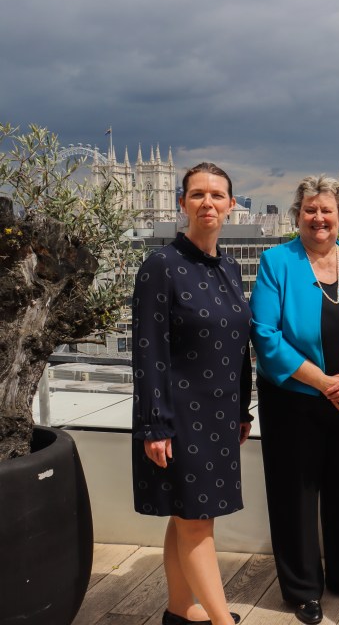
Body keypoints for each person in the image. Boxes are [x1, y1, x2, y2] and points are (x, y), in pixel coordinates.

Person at [250, 174, 339, 625]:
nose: (319, 218)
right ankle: (302, 588)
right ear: (297, 215)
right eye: (310, 210)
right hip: (294, 401)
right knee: (296, 496)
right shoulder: (276, 262)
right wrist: (326, 383)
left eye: (327, 210)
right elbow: (266, 338)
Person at [132, 162, 250, 625]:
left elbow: (239, 347)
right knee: (196, 522)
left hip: (220, 414)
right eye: (197, 194)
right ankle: (221, 622)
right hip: (178, 416)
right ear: (182, 204)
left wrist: (243, 409)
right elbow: (147, 352)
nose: (208, 203)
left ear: (231, 205)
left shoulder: (230, 267)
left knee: (188, 516)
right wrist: (154, 425)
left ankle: (179, 611)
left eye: (217, 195)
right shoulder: (161, 266)